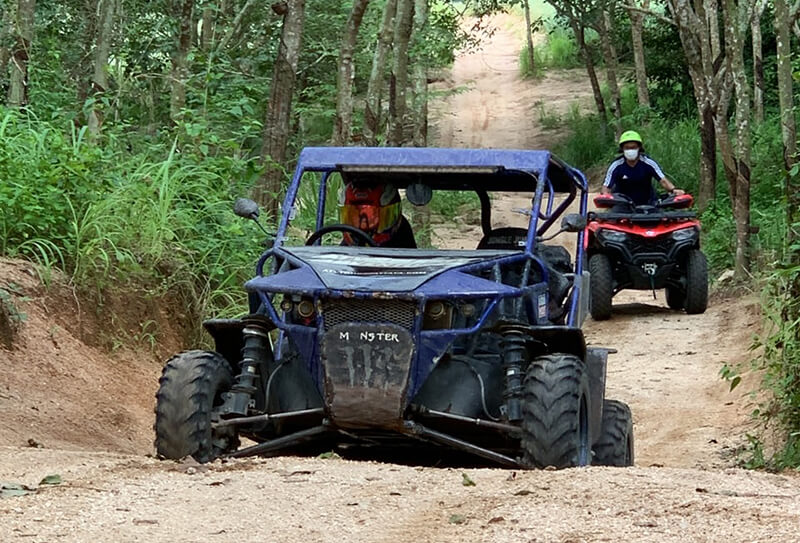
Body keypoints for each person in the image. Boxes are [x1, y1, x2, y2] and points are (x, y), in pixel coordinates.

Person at [602, 130, 684, 206]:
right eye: (627, 148)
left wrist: (674, 190)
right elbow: (606, 187)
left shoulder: (648, 163)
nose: (630, 150)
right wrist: (606, 198)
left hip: (648, 204)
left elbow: (663, 180)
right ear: (622, 149)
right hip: (622, 205)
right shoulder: (616, 165)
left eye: (633, 147)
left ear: (639, 148)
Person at [338, 181, 417, 248]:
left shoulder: (402, 239)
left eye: (371, 216)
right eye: (354, 215)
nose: (363, 226)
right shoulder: (344, 251)